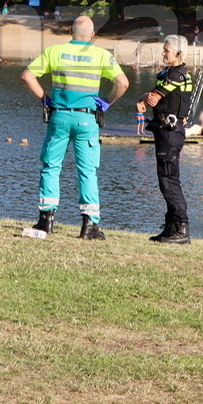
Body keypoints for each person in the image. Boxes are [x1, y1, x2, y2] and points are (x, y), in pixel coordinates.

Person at [21, 15, 129, 240]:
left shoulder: (55, 51)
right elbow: (123, 83)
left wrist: (45, 99)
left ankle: (46, 220)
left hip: (59, 117)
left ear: (71, 33)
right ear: (92, 35)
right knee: (87, 171)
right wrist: (107, 102)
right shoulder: (101, 54)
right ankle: (89, 225)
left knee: (51, 166)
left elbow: (27, 76)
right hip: (87, 119)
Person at [144, 36, 194, 244]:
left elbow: (154, 97)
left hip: (171, 131)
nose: (163, 53)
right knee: (165, 179)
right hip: (166, 131)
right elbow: (152, 96)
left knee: (169, 180)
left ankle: (181, 229)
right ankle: (171, 226)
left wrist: (145, 98)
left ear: (178, 54)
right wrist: (145, 97)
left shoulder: (177, 75)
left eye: (166, 50)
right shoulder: (170, 74)